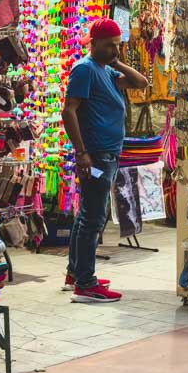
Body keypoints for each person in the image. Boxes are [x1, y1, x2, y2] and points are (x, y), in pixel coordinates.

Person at [61, 18, 148, 304]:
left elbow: (141, 83)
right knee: (94, 217)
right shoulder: (85, 69)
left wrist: (118, 63)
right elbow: (69, 111)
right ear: (94, 43)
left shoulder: (105, 71)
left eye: (117, 45)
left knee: (87, 214)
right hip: (96, 154)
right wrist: (81, 151)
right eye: (109, 45)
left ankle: (75, 273)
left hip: (106, 152)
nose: (114, 50)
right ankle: (86, 284)